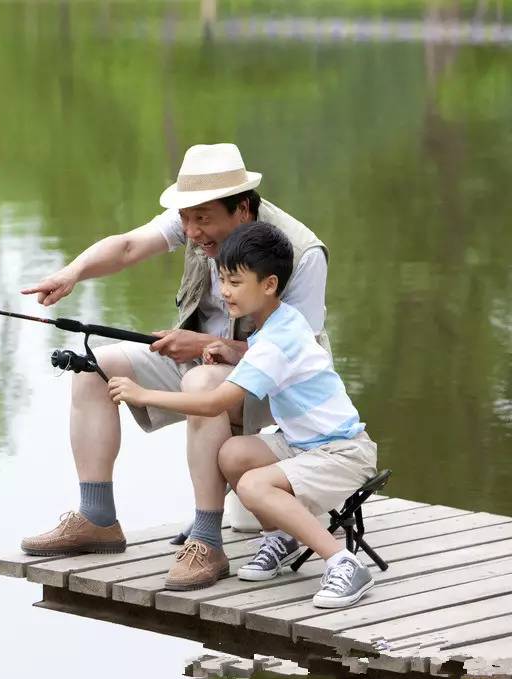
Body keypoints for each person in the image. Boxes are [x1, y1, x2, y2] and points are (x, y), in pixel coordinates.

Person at [19, 143, 330, 590]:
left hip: (279, 388)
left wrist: (203, 344)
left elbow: (298, 356)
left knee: (203, 380)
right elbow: (127, 247)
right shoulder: (196, 220)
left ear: (241, 209)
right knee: (92, 366)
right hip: (200, 363)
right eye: (186, 218)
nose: (192, 230)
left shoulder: (301, 253)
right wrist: (72, 273)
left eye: (202, 219)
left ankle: (206, 541)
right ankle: (97, 518)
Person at [107, 222, 378, 607]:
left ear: (268, 285)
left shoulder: (277, 339)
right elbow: (263, 353)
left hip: (343, 454)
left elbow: (214, 403)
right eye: (221, 279)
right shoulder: (278, 322)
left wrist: (143, 393)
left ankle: (344, 563)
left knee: (252, 485)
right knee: (232, 455)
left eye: (234, 282)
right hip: (305, 445)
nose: (224, 291)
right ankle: (282, 536)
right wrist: (232, 351)